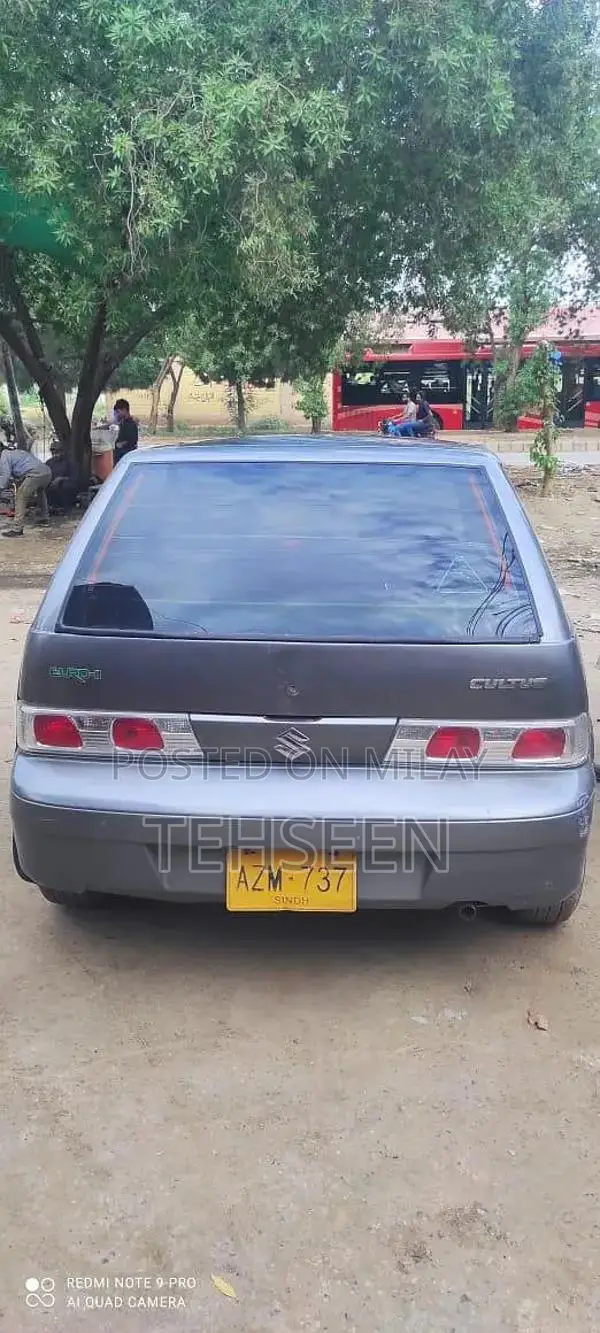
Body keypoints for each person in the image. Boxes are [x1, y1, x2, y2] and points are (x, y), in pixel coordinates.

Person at [0, 444, 52, 537]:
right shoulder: (15, 452)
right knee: (40, 493)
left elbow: (5, 476)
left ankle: (17, 529)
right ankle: (44, 517)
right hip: (46, 472)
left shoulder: (4, 457)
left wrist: (1, 487)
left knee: (20, 497)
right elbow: (18, 474)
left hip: (35, 474)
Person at [46, 440, 78, 513]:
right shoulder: (49, 462)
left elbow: (74, 477)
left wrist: (60, 479)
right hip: (52, 484)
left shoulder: (69, 462)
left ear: (62, 452)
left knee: (66, 486)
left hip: (65, 484)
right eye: (53, 453)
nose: (55, 455)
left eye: (57, 452)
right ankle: (50, 507)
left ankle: (65, 507)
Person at [113, 399, 139, 465]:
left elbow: (133, 440)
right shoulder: (123, 422)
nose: (117, 414)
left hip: (126, 457)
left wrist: (121, 444)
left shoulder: (130, 424)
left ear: (124, 410)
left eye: (118, 412)